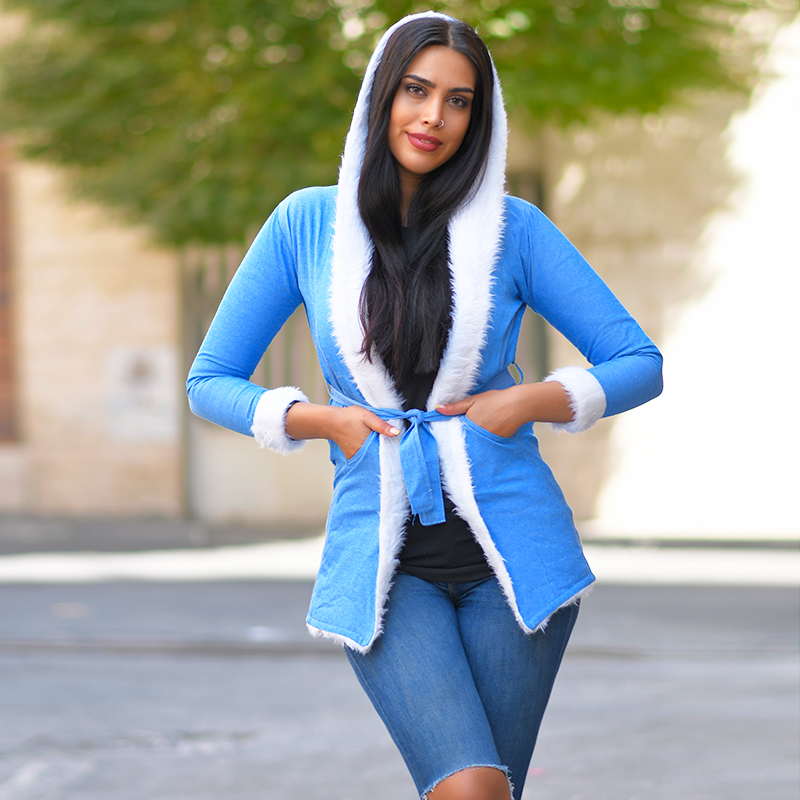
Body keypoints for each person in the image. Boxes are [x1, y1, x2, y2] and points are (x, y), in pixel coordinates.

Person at [187, 11, 662, 800]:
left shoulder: (514, 229)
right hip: (385, 566)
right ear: (382, 95)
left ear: (480, 118)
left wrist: (532, 400)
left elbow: (639, 364)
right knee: (470, 787)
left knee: (489, 795)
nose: (433, 115)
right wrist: (319, 419)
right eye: (416, 90)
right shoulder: (306, 222)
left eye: (459, 100)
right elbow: (211, 379)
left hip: (513, 562)